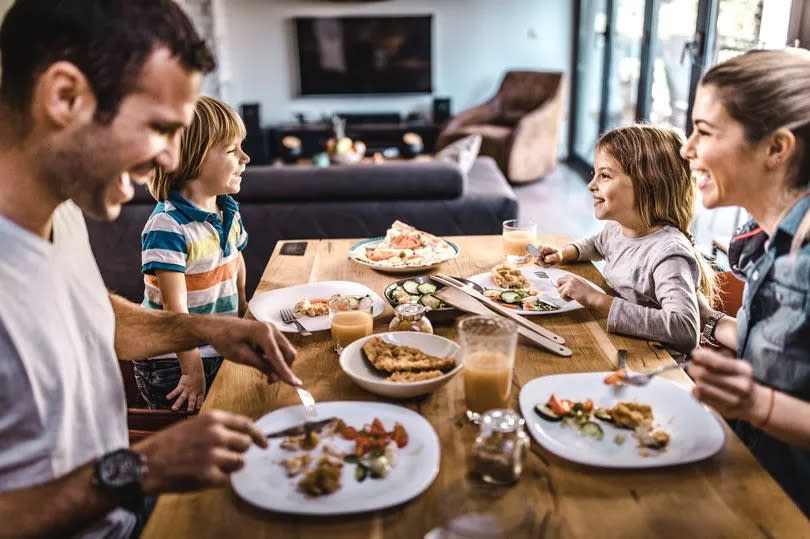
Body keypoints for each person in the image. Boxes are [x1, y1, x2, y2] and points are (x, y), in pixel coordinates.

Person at [0, 1, 302, 537]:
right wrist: (144, 466)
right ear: (65, 97)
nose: (169, 159)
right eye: (159, 128)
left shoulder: (62, 210)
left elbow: (87, 317)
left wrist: (207, 327)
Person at [680, 49, 810, 516]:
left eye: (705, 131)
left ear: (776, 148)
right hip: (751, 480)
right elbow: (786, 348)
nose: (686, 148)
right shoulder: (769, 240)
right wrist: (710, 323)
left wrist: (757, 403)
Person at [535, 124, 716, 355]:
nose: (591, 185)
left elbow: (685, 331)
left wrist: (596, 300)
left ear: (647, 184)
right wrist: (565, 253)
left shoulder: (668, 254)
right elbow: (597, 243)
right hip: (617, 344)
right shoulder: (618, 229)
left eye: (605, 176)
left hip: (653, 363)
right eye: (595, 174)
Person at [133, 96, 251, 412]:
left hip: (216, 346)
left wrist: (242, 308)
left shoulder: (226, 209)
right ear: (192, 159)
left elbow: (234, 259)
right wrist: (191, 368)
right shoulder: (168, 225)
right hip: (174, 361)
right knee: (191, 446)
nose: (245, 157)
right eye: (231, 150)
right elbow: (175, 308)